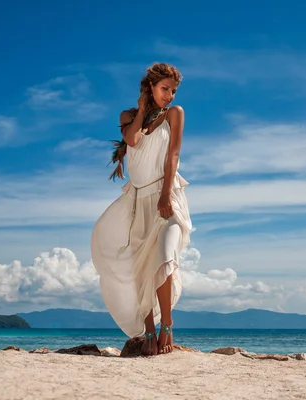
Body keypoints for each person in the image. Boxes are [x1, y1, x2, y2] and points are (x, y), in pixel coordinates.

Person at [91, 62, 192, 356]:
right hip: (137, 201)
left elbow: (173, 155)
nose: (170, 95)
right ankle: (149, 331)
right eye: (164, 89)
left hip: (167, 195)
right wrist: (141, 107)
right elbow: (132, 139)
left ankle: (167, 326)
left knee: (163, 257)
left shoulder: (175, 113)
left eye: (173, 90)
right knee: (140, 266)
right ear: (150, 87)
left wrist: (165, 196)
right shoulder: (128, 117)